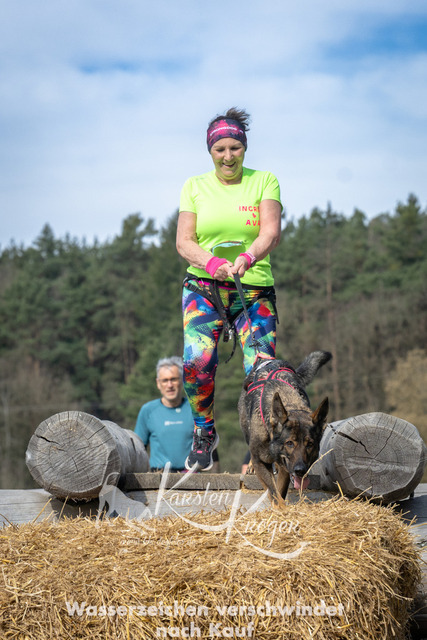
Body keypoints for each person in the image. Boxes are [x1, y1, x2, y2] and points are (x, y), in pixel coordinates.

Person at [176, 107, 282, 472]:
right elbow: (184, 241)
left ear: (244, 147)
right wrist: (211, 263)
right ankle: (204, 433)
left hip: (252, 291)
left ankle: (261, 443)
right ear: (210, 151)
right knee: (198, 360)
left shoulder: (265, 181)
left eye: (235, 148)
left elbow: (270, 232)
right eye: (219, 149)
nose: (228, 156)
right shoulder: (194, 186)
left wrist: (248, 257)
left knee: (262, 370)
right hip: (205, 289)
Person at [134, 356, 219, 472]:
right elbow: (138, 450)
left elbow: (210, 446)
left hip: (191, 475)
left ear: (182, 380)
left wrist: (216, 477)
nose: (170, 385)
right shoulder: (147, 410)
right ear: (158, 383)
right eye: (165, 380)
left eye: (173, 379)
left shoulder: (197, 409)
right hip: (158, 476)